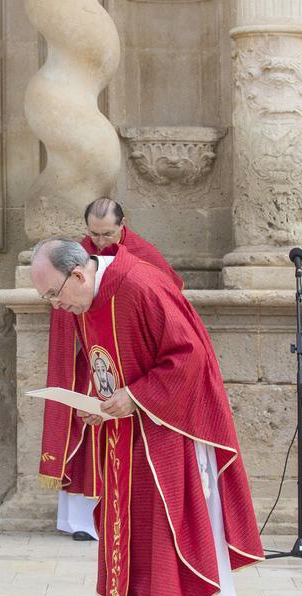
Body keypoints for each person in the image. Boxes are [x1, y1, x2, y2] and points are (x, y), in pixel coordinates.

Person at [30, 238, 262, 596]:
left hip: (167, 425)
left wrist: (135, 396)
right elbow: (105, 361)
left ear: (79, 274)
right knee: (125, 518)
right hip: (125, 426)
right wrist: (96, 403)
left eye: (54, 294)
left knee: (156, 517)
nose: (55, 306)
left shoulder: (139, 285)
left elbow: (188, 356)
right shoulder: (86, 298)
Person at [40, 198, 182, 542]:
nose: (101, 242)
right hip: (92, 360)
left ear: (123, 224)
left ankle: (128, 516)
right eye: (94, 234)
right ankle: (83, 519)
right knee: (87, 427)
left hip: (131, 364)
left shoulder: (142, 258)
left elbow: (169, 303)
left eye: (107, 234)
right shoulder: (77, 256)